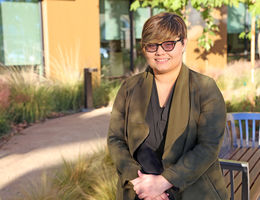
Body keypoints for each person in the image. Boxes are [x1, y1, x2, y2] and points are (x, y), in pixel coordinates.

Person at [107, 12, 229, 200]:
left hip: (191, 191)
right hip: (140, 191)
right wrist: (140, 184)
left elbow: (209, 146)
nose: (160, 52)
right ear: (143, 48)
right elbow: (116, 139)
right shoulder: (129, 88)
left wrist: (163, 182)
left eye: (168, 44)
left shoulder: (205, 89)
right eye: (152, 45)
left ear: (184, 44)